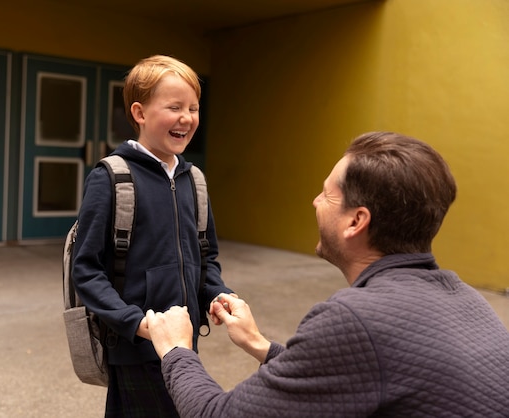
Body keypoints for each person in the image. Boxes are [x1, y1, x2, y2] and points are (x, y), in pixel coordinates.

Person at [146, 132, 509, 417]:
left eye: (326, 194)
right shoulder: (466, 299)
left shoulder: (355, 319)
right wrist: (259, 344)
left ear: (356, 221)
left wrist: (177, 349)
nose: (315, 202)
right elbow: (359, 374)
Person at [72, 55, 233, 417]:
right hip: (135, 347)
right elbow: (86, 270)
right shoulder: (112, 178)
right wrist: (136, 324)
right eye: (174, 107)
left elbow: (205, 258)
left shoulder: (195, 181)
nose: (187, 118)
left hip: (183, 342)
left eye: (193, 108)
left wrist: (219, 294)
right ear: (140, 113)